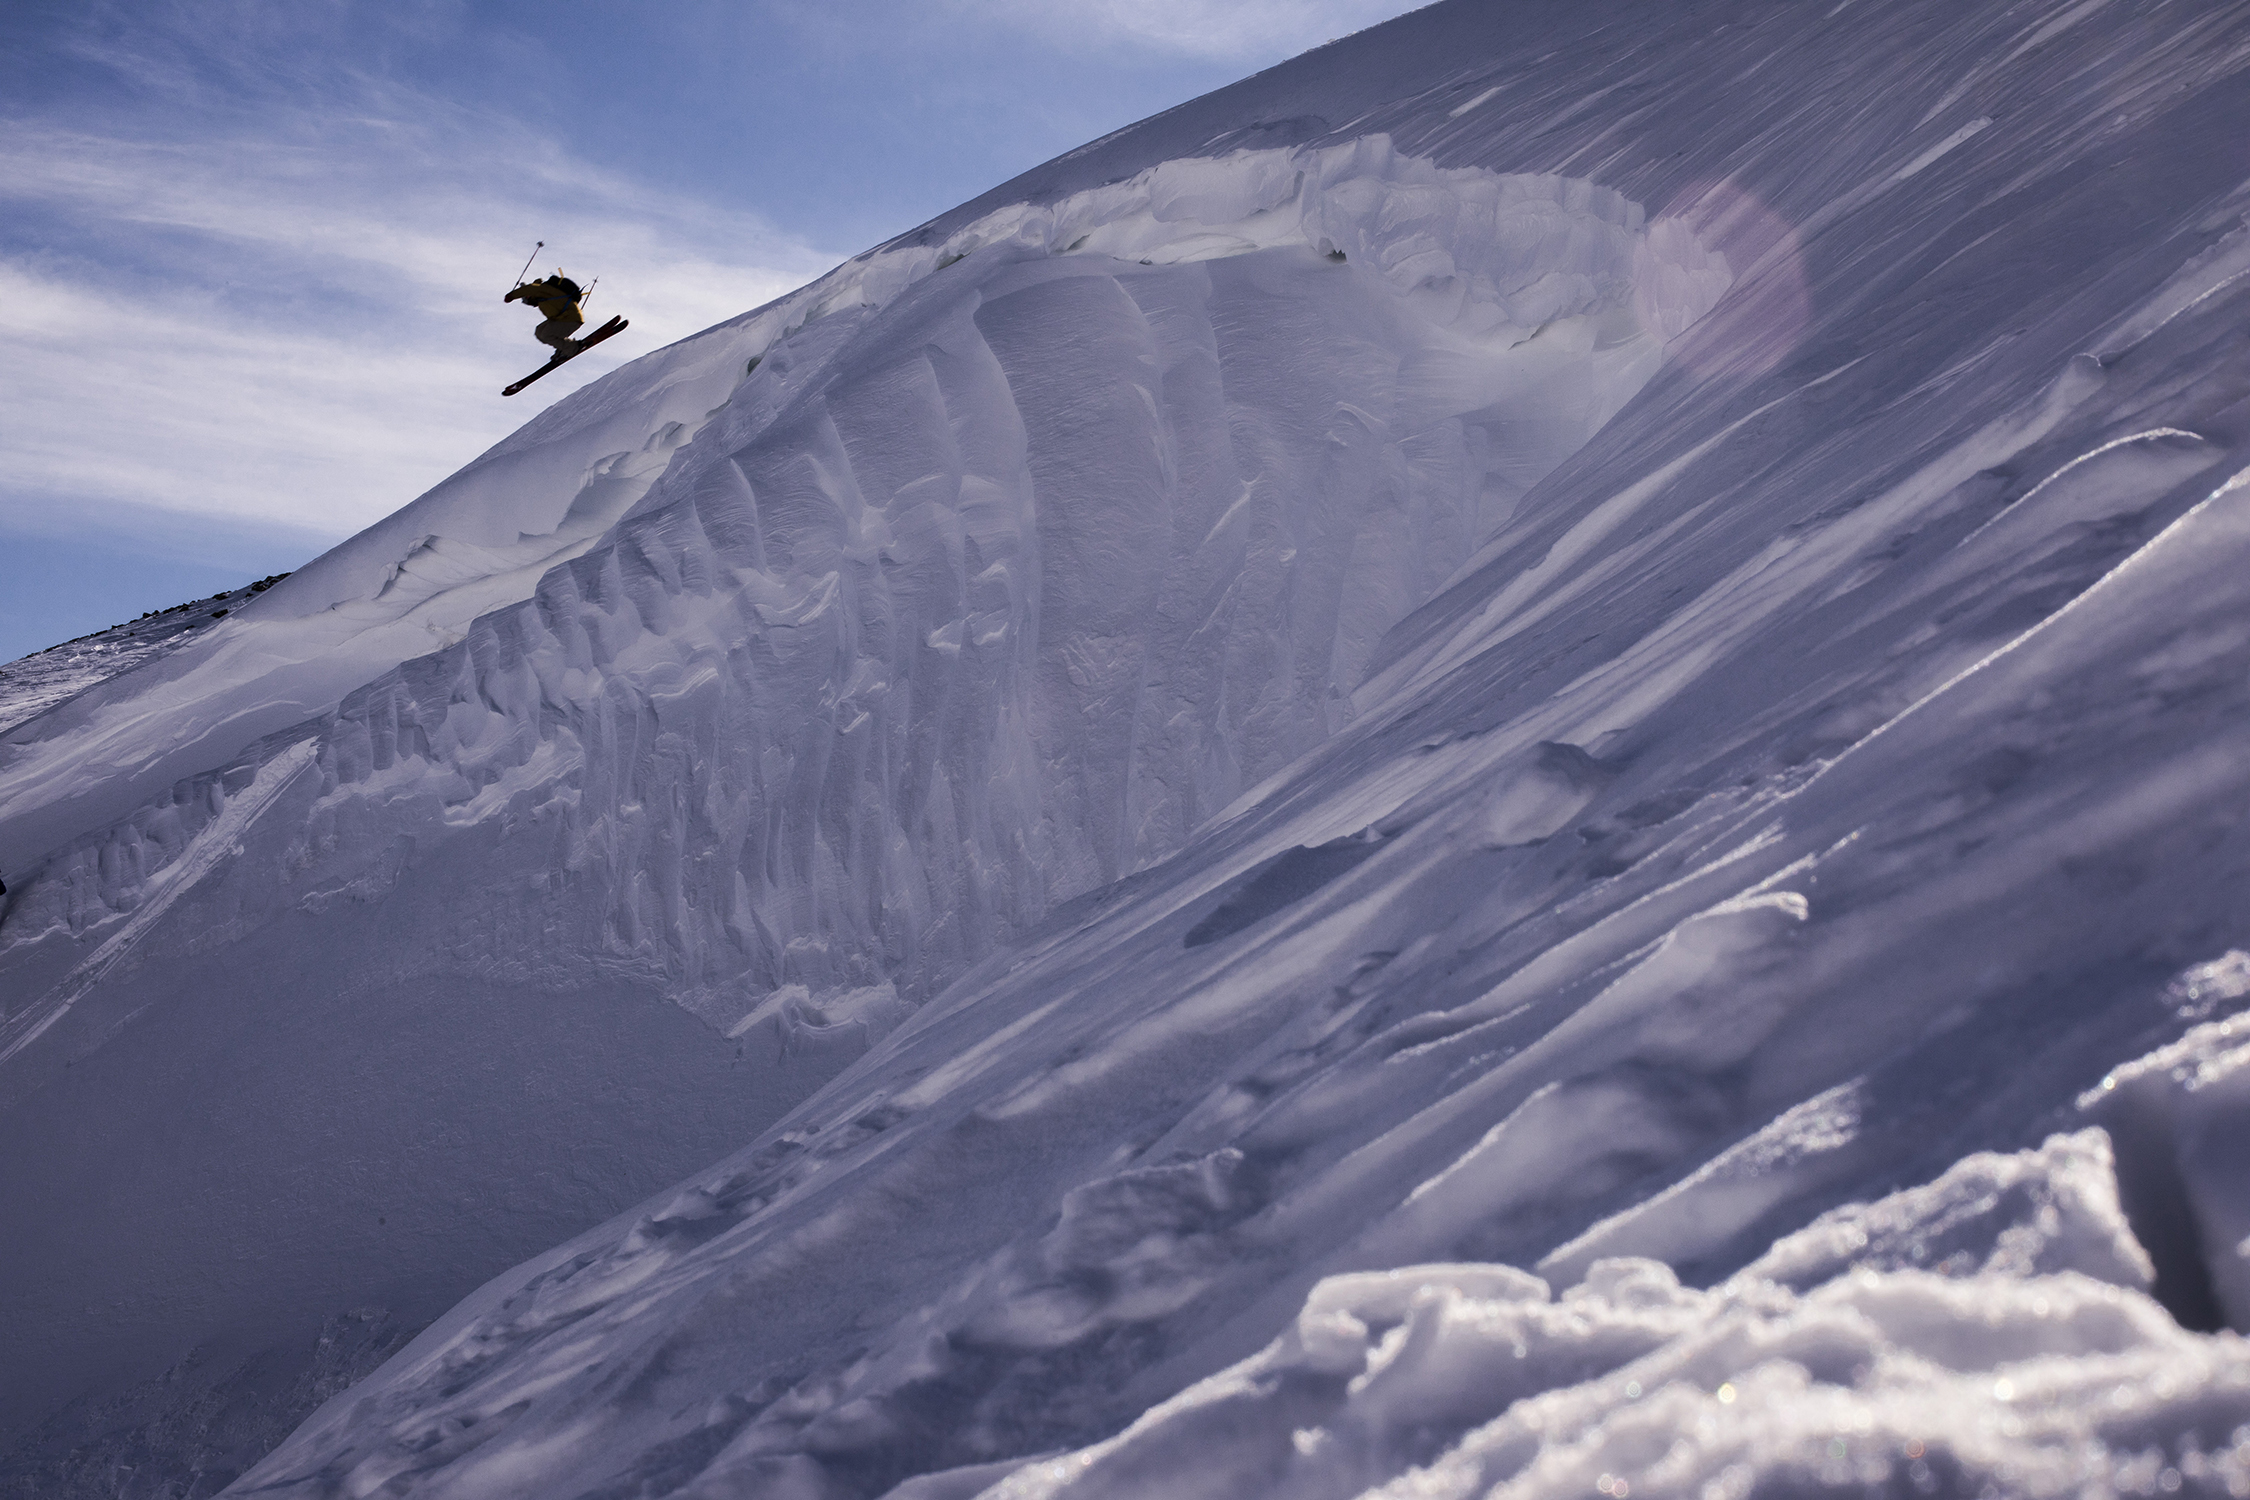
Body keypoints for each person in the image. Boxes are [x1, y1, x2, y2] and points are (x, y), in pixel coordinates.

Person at [505, 271, 586, 355]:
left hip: (571, 319)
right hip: (563, 319)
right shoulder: (542, 297)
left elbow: (529, 288)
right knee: (539, 331)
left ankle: (571, 347)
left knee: (546, 335)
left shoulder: (542, 290)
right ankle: (565, 346)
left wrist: (511, 296)